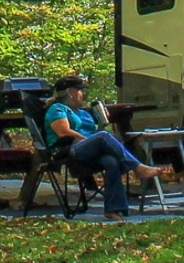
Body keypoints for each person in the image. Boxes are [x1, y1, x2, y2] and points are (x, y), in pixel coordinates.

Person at [45, 76, 162, 221]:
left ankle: (113, 209)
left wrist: (101, 123)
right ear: (70, 92)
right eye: (81, 91)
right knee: (102, 136)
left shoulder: (82, 112)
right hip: (68, 150)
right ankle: (137, 167)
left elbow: (93, 132)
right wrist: (93, 141)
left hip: (87, 150)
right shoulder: (57, 109)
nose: (84, 94)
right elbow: (63, 132)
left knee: (111, 161)